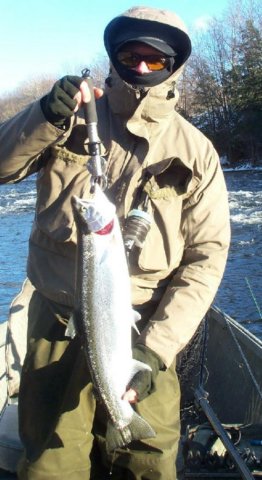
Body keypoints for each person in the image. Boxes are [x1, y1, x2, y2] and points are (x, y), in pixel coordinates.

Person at [0, 5, 230, 480]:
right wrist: (44, 114)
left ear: (173, 66)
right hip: (56, 327)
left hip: (145, 331)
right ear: (115, 57)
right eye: (132, 55)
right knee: (49, 466)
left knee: (148, 466)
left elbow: (206, 259)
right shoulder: (68, 118)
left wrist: (156, 349)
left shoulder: (196, 151)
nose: (142, 68)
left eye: (155, 60)